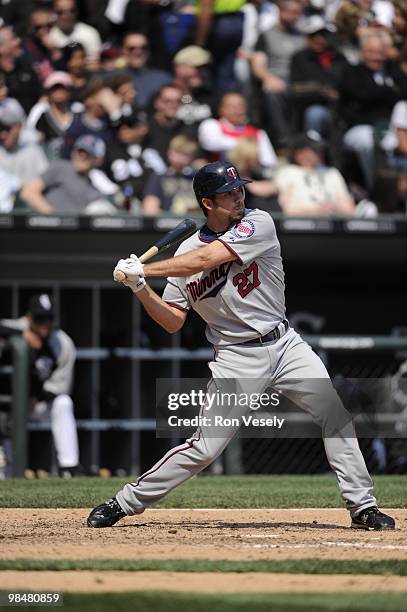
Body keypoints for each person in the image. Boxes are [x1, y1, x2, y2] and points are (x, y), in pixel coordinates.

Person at [87, 160, 395, 532]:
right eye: (227, 194)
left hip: (285, 345)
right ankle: (123, 502)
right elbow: (172, 320)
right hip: (235, 357)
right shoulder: (184, 252)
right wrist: (139, 288)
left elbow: (208, 258)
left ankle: (363, 506)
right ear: (206, 204)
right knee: (204, 448)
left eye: (239, 190)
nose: (237, 197)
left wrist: (145, 269)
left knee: (335, 415)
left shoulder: (258, 222)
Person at [0, 293, 79, 477]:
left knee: (63, 403)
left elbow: (61, 385)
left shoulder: (62, 342)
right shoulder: (20, 327)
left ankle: (68, 468)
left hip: (36, 403)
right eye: (39, 318)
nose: (45, 323)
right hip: (8, 406)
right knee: (6, 472)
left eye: (49, 318)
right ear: (29, 317)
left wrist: (38, 395)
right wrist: (20, 335)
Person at [338, 32, 407, 191]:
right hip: (359, 128)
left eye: (380, 53)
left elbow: (404, 93)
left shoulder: (394, 71)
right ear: (362, 53)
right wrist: (389, 91)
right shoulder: (351, 72)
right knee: (367, 140)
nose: (376, 57)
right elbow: (362, 95)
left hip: (391, 130)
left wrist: (383, 92)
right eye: (371, 52)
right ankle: (376, 189)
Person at [251, 0, 305, 147]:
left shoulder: (303, 37)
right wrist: (268, 78)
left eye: (298, 13)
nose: (295, 17)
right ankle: (283, 140)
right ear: (281, 11)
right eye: (292, 12)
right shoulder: (267, 35)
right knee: (271, 92)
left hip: (300, 81)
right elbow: (258, 63)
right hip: (277, 79)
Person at [20, 134, 117, 215]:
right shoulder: (61, 167)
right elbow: (28, 193)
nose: (81, 156)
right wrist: (54, 218)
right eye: (79, 151)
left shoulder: (93, 184)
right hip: (47, 229)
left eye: (87, 153)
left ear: (98, 159)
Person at [289, 16, 348, 137]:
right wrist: (320, 90)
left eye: (323, 35)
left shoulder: (339, 58)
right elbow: (295, 88)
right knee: (314, 113)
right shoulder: (300, 58)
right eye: (314, 35)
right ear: (307, 37)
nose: (319, 39)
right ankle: (313, 149)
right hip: (309, 108)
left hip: (340, 109)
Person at [274, 131, 355, 215]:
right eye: (314, 150)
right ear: (299, 153)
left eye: (320, 149)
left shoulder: (332, 173)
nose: (320, 152)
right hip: (302, 226)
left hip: (334, 224)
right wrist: (317, 210)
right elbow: (287, 210)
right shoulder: (287, 172)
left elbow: (350, 210)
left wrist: (333, 208)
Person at [198, 91, 277, 167]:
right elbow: (210, 143)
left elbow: (269, 161)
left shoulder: (258, 132)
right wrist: (245, 144)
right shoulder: (211, 125)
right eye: (232, 107)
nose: (238, 110)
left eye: (241, 106)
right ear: (221, 109)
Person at [142, 134, 200, 215]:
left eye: (186, 155)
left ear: (192, 157)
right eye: (178, 153)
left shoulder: (197, 178)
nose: (181, 159)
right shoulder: (159, 177)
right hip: (167, 225)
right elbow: (150, 209)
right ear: (169, 152)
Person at [27, 71, 74, 159]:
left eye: (63, 88)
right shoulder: (40, 111)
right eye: (55, 88)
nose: (59, 92)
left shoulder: (78, 110)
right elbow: (33, 138)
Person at [49, 0, 102, 69]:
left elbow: (94, 65)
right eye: (61, 12)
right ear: (53, 13)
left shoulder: (90, 33)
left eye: (72, 11)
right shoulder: (49, 37)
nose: (67, 16)